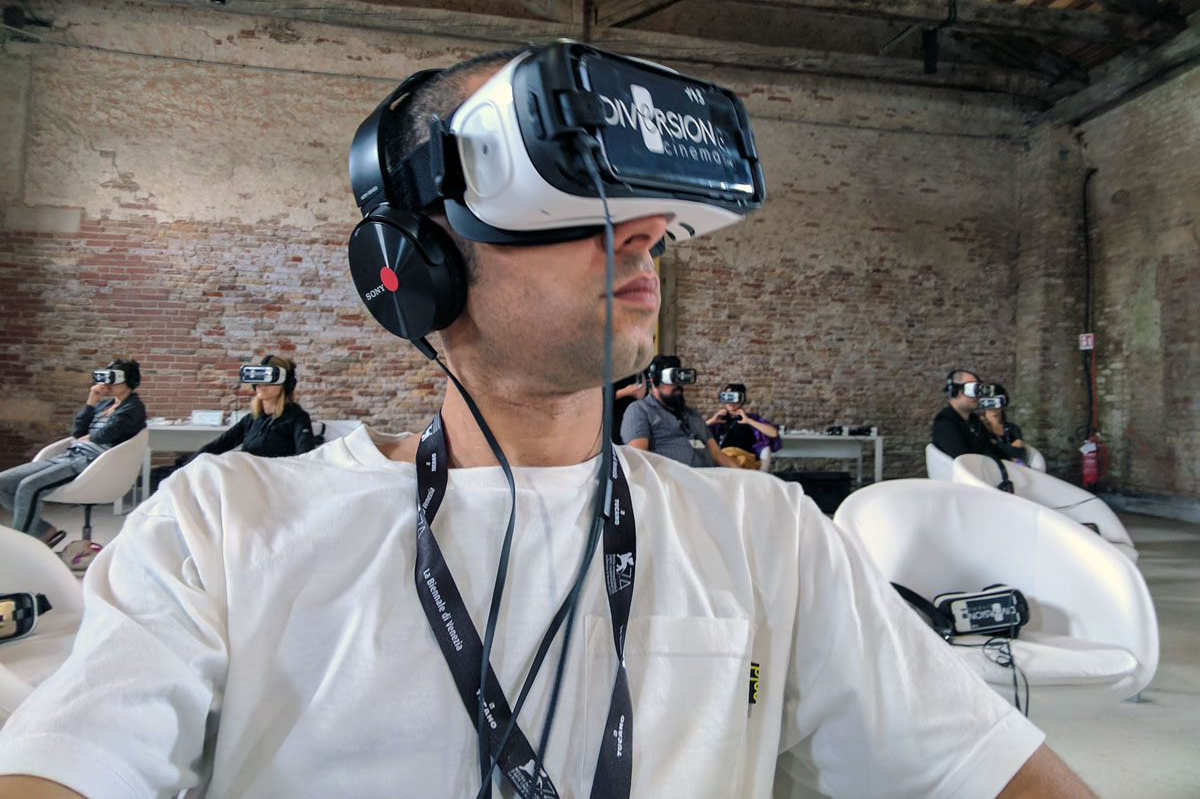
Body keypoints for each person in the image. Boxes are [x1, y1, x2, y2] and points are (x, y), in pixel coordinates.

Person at [0, 45, 1096, 799]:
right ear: (415, 260)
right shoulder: (223, 522)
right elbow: (76, 761)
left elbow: (980, 772)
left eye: (651, 212)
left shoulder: (770, 537)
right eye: (569, 200)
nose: (645, 234)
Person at [0, 360, 146, 547]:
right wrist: (91, 402)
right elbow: (77, 431)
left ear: (129, 380)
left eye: (113, 379)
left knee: (29, 487)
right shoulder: (105, 405)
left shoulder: (134, 407)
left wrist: (88, 437)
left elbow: (107, 434)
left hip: (91, 462)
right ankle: (43, 531)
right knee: (3, 482)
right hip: (70, 455)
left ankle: (21, 546)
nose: (107, 384)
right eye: (105, 378)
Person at [151, 355, 320, 490]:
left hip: (272, 485)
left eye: (269, 379)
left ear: (286, 384)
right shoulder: (252, 419)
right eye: (258, 378)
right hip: (245, 481)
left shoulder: (297, 418)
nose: (261, 385)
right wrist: (185, 469)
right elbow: (217, 446)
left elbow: (305, 461)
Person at [620, 354, 741, 468]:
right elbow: (639, 456)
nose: (678, 385)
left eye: (680, 378)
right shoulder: (640, 410)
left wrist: (744, 475)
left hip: (706, 478)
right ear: (655, 381)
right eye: (672, 379)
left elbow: (716, 454)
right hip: (669, 480)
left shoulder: (693, 414)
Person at [931, 368, 1004, 461]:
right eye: (972, 389)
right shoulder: (945, 423)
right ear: (954, 391)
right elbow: (964, 459)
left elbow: (990, 448)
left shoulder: (974, 420)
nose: (977, 395)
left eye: (978, 389)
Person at [706, 382, 781, 469]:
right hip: (722, 457)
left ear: (742, 399)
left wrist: (748, 421)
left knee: (721, 460)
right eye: (728, 397)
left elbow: (773, 433)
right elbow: (695, 432)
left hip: (744, 458)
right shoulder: (719, 420)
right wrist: (712, 420)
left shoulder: (751, 418)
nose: (731, 401)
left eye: (735, 397)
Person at [982, 384, 1028, 464]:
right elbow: (987, 451)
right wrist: (1010, 449)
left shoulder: (1012, 428)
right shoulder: (980, 428)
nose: (993, 409)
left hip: (1013, 467)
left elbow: (1019, 452)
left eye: (996, 402)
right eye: (989, 402)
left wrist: (995, 444)